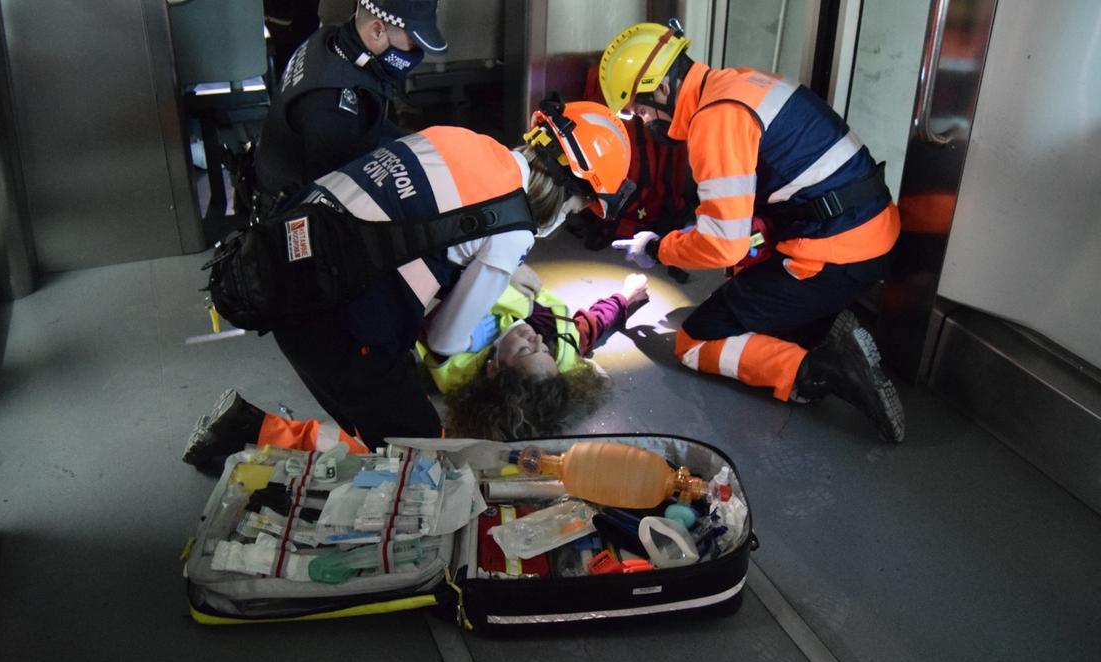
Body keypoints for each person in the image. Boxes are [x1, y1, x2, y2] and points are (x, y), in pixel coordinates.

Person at [183, 100, 634, 466]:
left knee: (383, 431)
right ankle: (248, 437)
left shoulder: (459, 139)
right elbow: (443, 342)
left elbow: (417, 220)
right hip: (331, 321)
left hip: (287, 261)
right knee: (422, 454)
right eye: (577, 208)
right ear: (570, 188)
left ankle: (246, 430)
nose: (569, 217)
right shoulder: (512, 229)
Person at [600, 22, 905, 442]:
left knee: (695, 340)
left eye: (640, 108)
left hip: (834, 254)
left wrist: (659, 248)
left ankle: (822, 371)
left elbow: (722, 244)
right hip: (871, 232)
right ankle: (822, 322)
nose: (644, 120)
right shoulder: (740, 83)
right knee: (744, 286)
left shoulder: (715, 120)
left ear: (664, 89)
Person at [253, 0, 447, 202]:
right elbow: (335, 203)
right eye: (413, 40)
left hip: (307, 163)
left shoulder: (331, 40)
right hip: (297, 207)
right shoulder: (332, 108)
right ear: (377, 30)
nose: (415, 51)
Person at [421, 273, 650, 441]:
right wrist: (626, 296)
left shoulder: (451, 347)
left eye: (525, 350)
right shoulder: (557, 351)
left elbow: (437, 280)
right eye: (544, 350)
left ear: (493, 368)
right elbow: (589, 328)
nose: (538, 339)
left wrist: (504, 272)